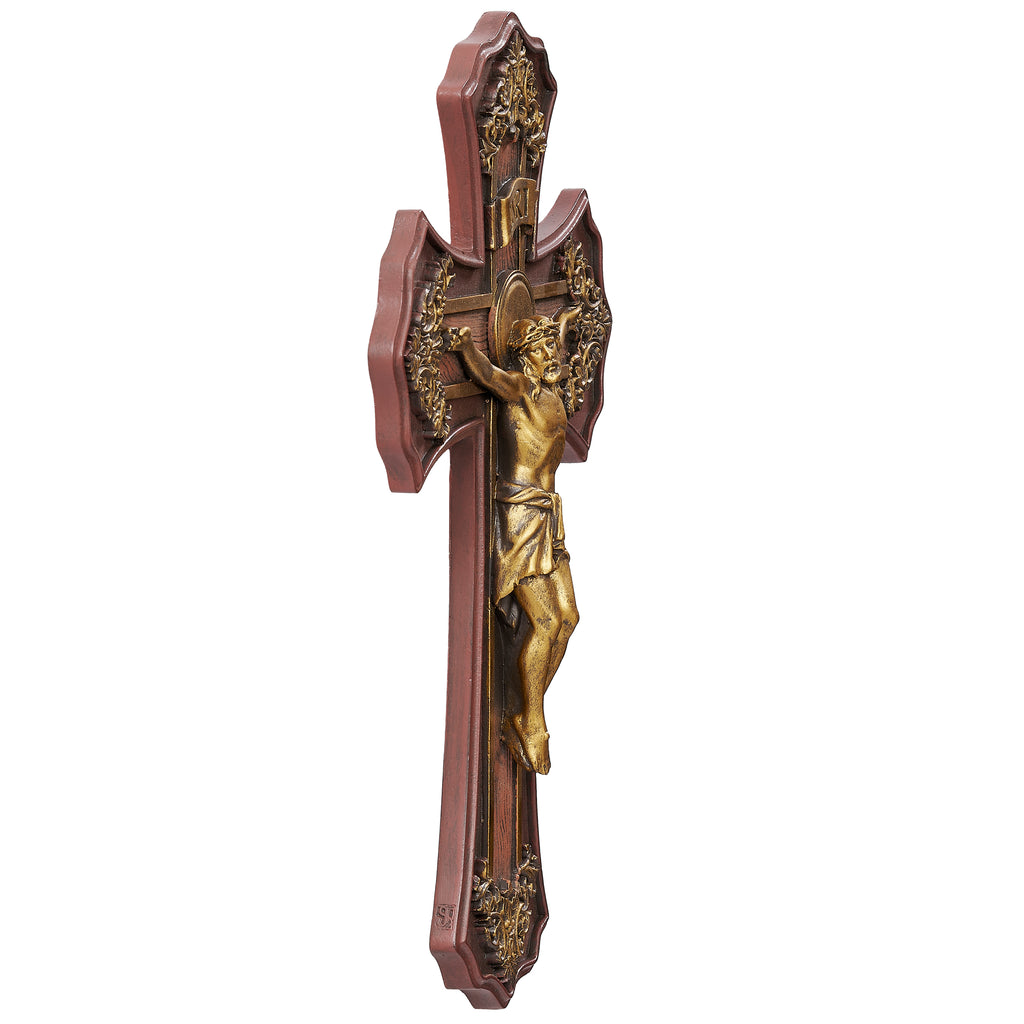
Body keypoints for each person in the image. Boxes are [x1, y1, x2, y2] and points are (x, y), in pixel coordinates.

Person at [450, 310, 580, 774]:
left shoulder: (552, 392)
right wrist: (466, 347)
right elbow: (488, 375)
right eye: (542, 349)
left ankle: (527, 706)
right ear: (525, 357)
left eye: (552, 346)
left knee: (569, 618)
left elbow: (555, 347)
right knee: (544, 622)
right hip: (520, 519)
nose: (552, 354)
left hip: (547, 515)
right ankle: (533, 721)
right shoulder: (521, 389)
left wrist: (562, 322)